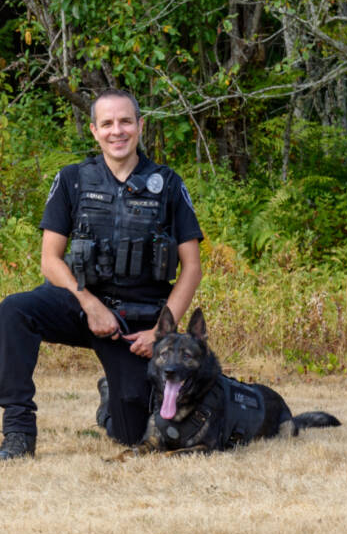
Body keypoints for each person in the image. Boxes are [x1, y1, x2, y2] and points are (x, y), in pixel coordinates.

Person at [0, 89, 203, 460]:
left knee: (131, 434)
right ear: (94, 131)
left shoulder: (168, 184)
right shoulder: (73, 179)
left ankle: (112, 396)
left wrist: (161, 331)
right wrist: (88, 302)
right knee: (15, 310)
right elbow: (50, 260)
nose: (117, 131)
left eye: (126, 121)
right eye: (107, 123)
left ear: (140, 126)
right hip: (80, 305)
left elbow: (192, 267)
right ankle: (17, 431)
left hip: (136, 321)